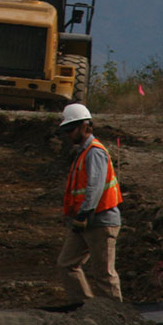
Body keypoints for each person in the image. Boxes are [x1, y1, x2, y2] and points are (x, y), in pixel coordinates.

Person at [56, 103, 123, 303]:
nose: (68, 134)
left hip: (100, 221)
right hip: (84, 221)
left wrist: (83, 214)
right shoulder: (83, 152)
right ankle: (85, 307)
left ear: (85, 126)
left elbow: (95, 187)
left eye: (71, 129)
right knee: (66, 264)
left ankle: (116, 316)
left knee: (104, 274)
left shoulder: (95, 152)